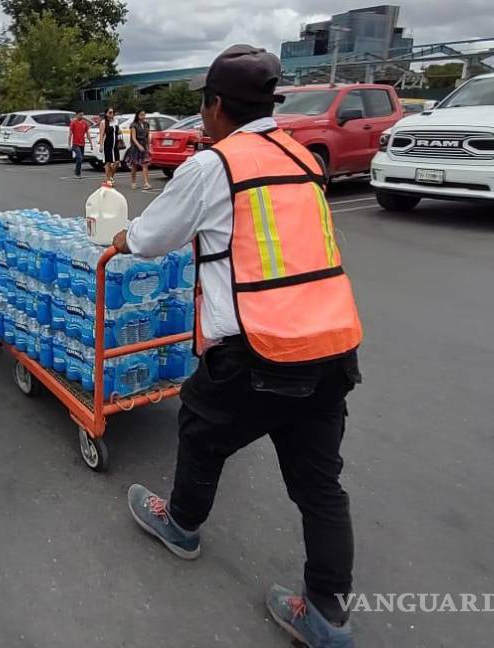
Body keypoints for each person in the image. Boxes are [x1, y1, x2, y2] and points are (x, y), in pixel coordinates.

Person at [112, 45, 364, 648]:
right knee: (319, 482)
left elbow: (150, 238)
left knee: (201, 428)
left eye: (203, 106)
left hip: (260, 347)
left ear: (217, 105)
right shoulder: (301, 156)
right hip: (332, 341)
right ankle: (327, 614)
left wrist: (119, 237)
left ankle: (182, 526)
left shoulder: (217, 164)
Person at [126, 110, 152, 191]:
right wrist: (139, 146)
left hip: (144, 145)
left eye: (144, 114)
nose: (143, 116)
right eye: (141, 114)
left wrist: (148, 145)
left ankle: (146, 183)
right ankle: (133, 182)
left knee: (145, 165)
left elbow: (147, 136)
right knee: (134, 165)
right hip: (135, 147)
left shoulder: (146, 124)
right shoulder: (134, 125)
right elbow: (133, 138)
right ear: (137, 115)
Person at [68, 111, 93, 179]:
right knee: (80, 158)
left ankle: (77, 171)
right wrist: (69, 144)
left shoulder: (84, 123)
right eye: (80, 115)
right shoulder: (73, 123)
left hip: (82, 144)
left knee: (80, 159)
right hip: (75, 144)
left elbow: (87, 133)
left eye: (82, 115)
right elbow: (70, 134)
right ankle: (77, 174)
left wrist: (91, 143)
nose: (81, 117)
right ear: (76, 115)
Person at [99, 108, 122, 184]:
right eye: (110, 112)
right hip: (107, 144)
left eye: (113, 112)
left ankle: (111, 176)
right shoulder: (103, 122)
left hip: (115, 144)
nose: (112, 114)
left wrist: (120, 135)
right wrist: (101, 145)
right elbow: (102, 134)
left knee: (117, 162)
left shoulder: (116, 121)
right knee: (108, 162)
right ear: (106, 114)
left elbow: (118, 132)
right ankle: (108, 179)